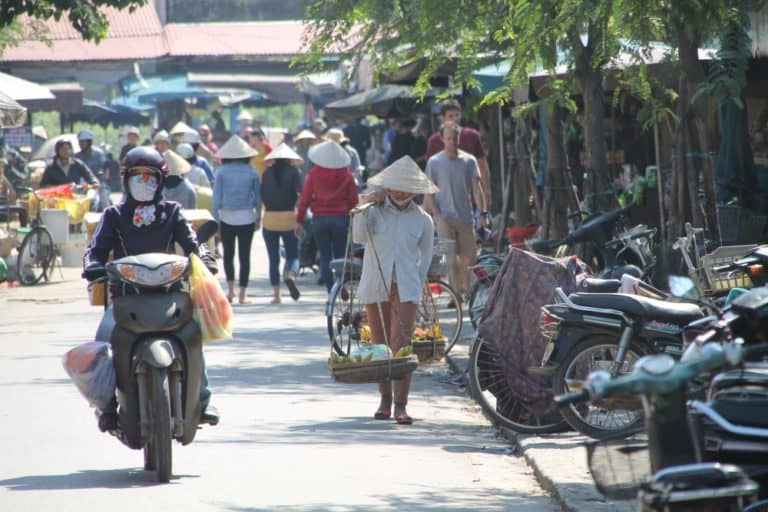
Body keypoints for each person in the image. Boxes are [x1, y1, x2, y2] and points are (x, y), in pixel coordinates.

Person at [82, 146, 219, 431]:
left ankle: (203, 399)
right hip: (125, 297)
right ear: (126, 180)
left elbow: (193, 242)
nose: (144, 183)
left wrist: (203, 256)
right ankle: (107, 405)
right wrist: (93, 265)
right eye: (137, 176)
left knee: (194, 334)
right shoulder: (113, 214)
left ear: (161, 181)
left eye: (150, 177)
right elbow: (96, 250)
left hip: (170, 295)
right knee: (103, 338)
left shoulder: (173, 212)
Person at [353, 155, 436, 425]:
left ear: (415, 192)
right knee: (380, 344)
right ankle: (384, 400)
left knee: (402, 344)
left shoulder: (423, 220)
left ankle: (401, 404)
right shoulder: (374, 212)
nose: (400, 193)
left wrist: (417, 283)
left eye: (406, 189)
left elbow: (425, 257)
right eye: (396, 188)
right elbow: (358, 237)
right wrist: (364, 204)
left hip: (407, 285)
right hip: (376, 281)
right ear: (387, 188)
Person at [424, 122, 489, 302]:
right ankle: (456, 294)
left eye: (455, 138)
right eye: (448, 138)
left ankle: (466, 287)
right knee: (450, 257)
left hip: (466, 215)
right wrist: (436, 215)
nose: (452, 142)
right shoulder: (435, 162)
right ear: (443, 140)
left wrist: (483, 213)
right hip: (444, 216)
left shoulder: (469, 161)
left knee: (468, 257)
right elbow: (429, 191)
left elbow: (477, 189)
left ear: (459, 138)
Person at [295, 140, 358, 292]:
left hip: (320, 219)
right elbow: (353, 201)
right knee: (340, 257)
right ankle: (340, 287)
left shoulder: (314, 174)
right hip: (341, 219)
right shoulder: (347, 174)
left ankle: (331, 290)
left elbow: (305, 199)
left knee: (325, 256)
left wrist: (299, 220)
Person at [213, 135, 262, 305]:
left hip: (226, 217)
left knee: (228, 255)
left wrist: (215, 220)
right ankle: (242, 294)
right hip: (247, 217)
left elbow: (216, 199)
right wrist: (258, 218)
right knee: (244, 256)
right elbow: (257, 198)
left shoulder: (221, 172)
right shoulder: (252, 172)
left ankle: (231, 290)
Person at [426, 99, 492, 210]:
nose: (455, 119)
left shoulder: (472, 136)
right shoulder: (434, 141)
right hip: (444, 201)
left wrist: (487, 191)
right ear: (442, 118)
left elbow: (482, 165)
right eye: (450, 116)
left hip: (472, 198)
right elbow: (430, 175)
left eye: (457, 115)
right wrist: (429, 203)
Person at [261, 143, 303, 303]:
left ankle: (277, 295)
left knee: (273, 259)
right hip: (288, 218)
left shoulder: (266, 174)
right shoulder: (294, 172)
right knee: (293, 255)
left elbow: (263, 195)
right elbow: (300, 195)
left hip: (270, 218)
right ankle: (290, 275)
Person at [76, 130, 110, 210]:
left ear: (89, 142)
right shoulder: (76, 157)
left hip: (98, 184)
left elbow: (106, 168)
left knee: (104, 201)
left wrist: (104, 177)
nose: (81, 144)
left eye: (83, 142)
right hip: (82, 186)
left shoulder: (99, 155)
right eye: (80, 142)